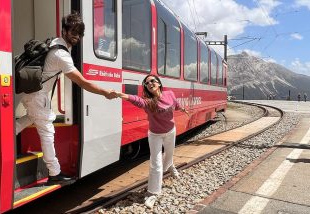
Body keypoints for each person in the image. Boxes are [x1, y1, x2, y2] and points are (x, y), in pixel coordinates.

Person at [16, 12, 116, 185]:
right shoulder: (61, 54)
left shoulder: (55, 42)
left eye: (79, 33)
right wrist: (105, 93)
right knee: (47, 131)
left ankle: (5, 136)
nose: (76, 36)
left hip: (35, 95)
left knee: (30, 118)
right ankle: (54, 173)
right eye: (73, 32)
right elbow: (82, 82)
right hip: (37, 97)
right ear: (64, 31)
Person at [115, 74, 189, 208]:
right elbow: (137, 100)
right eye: (146, 83)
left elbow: (176, 104)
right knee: (156, 163)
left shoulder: (170, 94)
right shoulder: (148, 102)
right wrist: (122, 95)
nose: (149, 84)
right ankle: (153, 193)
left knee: (169, 154)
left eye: (152, 81)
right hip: (155, 135)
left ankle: (171, 166)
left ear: (159, 83)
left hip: (170, 131)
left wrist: (182, 109)